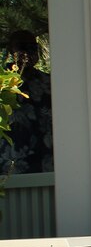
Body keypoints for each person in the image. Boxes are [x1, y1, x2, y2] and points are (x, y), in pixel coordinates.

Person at [0, 30, 53, 174]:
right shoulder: (2, 80)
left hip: (46, 159)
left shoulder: (50, 82)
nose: (27, 52)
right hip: (10, 161)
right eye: (22, 47)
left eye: (32, 47)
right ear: (11, 50)